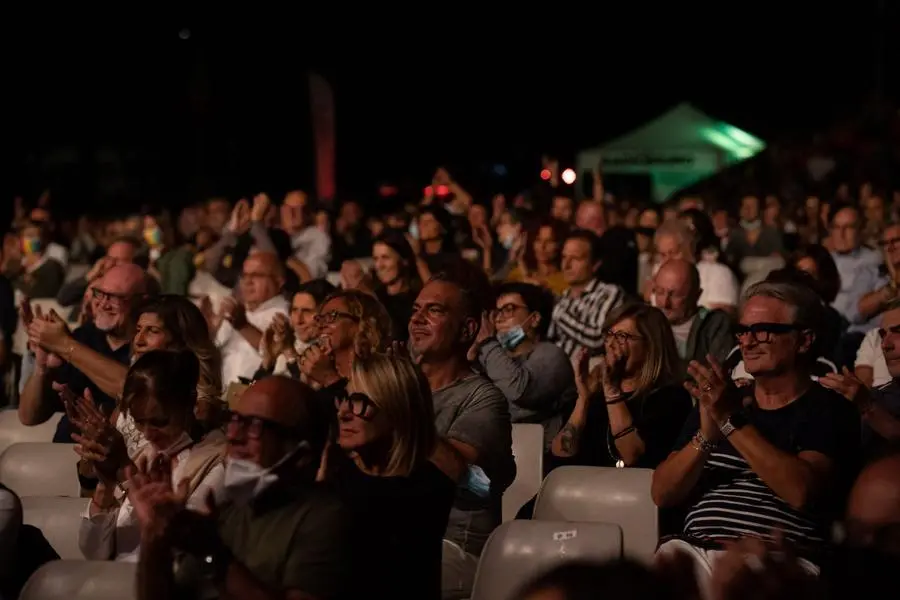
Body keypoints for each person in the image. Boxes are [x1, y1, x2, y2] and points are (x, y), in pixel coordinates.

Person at [131, 376, 348, 600]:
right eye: (234, 421)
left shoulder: (324, 519)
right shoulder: (228, 513)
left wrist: (213, 554)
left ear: (301, 453)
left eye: (254, 426)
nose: (234, 436)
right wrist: (154, 539)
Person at [322, 353, 455, 600]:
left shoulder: (427, 491)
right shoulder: (335, 473)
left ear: (397, 411)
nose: (343, 413)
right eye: (344, 399)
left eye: (359, 402)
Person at [78, 351, 225, 562]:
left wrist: (125, 472)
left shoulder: (216, 460)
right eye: (139, 421)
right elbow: (93, 553)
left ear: (189, 402)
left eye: (159, 422)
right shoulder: (144, 453)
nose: (147, 434)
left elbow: (183, 555)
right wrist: (105, 487)